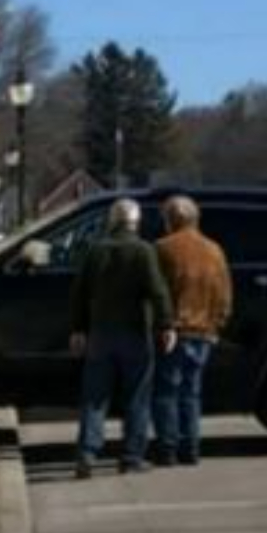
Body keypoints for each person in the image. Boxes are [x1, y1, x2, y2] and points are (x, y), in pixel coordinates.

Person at [69, 199, 175, 479]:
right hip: (135, 332)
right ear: (135, 222)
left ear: (112, 221)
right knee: (137, 397)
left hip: (100, 333)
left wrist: (78, 329)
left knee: (94, 398)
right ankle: (131, 457)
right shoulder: (143, 251)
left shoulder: (95, 251)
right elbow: (157, 290)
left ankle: (87, 454)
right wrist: (166, 324)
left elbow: (79, 293)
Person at [152, 196, 233, 466]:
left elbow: (156, 292)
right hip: (203, 333)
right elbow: (224, 296)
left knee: (167, 391)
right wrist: (216, 325)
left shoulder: (163, 249)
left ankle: (168, 447)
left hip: (174, 330)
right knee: (191, 392)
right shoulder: (215, 251)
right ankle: (192, 447)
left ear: (171, 219)